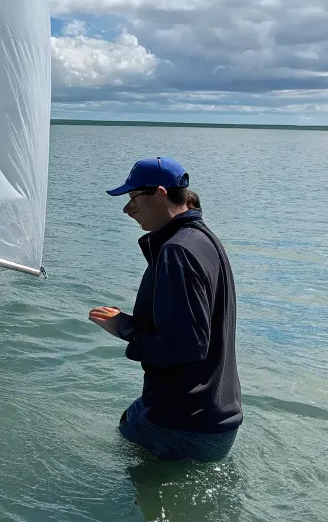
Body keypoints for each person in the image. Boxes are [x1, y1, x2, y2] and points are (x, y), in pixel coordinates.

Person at [88, 157, 242, 462]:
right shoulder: (203, 239)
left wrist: (124, 328)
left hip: (183, 426)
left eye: (134, 198)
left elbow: (188, 345)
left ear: (160, 194)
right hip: (218, 418)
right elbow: (195, 333)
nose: (127, 209)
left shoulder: (176, 251)